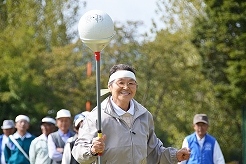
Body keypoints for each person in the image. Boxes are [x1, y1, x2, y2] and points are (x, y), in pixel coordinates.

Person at [72, 64, 190, 163]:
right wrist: (92, 150)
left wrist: (175, 155)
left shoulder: (145, 115)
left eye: (131, 83)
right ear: (110, 87)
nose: (126, 87)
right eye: (121, 82)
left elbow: (153, 152)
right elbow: (78, 152)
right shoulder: (96, 116)